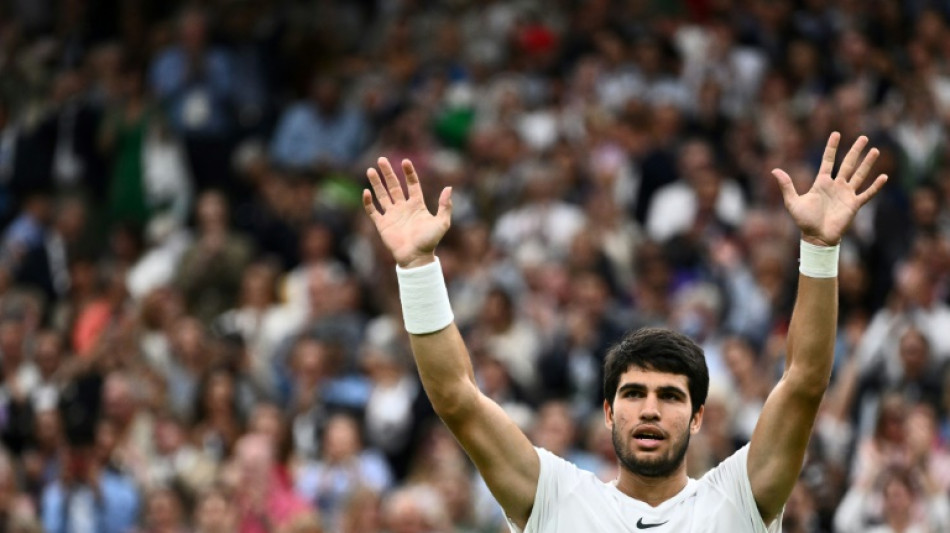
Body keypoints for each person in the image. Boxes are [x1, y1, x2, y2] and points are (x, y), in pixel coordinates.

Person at [361, 131, 888, 532]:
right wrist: (418, 268)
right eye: (633, 393)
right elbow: (456, 397)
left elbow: (804, 381)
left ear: (699, 416)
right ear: (609, 411)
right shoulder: (555, 497)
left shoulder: (740, 498)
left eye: (670, 396)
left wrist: (819, 249)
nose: (651, 409)